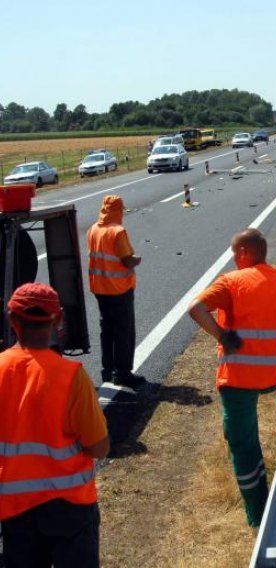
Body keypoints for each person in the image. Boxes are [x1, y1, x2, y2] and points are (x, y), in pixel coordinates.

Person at [187, 228, 276, 527]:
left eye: (233, 253)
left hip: (239, 379)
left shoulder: (231, 282)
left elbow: (195, 309)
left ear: (243, 253)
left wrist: (222, 334)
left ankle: (258, 515)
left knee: (244, 444)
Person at [0, 283, 109, 568]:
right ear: (58, 319)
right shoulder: (71, 376)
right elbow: (98, 447)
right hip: (70, 506)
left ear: (12, 319)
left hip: (14, 506)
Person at [87, 195, 144, 388]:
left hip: (100, 289)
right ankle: (123, 373)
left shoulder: (94, 229)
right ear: (118, 210)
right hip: (119, 289)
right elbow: (126, 259)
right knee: (123, 331)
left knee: (107, 330)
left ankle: (107, 371)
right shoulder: (118, 232)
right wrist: (137, 259)